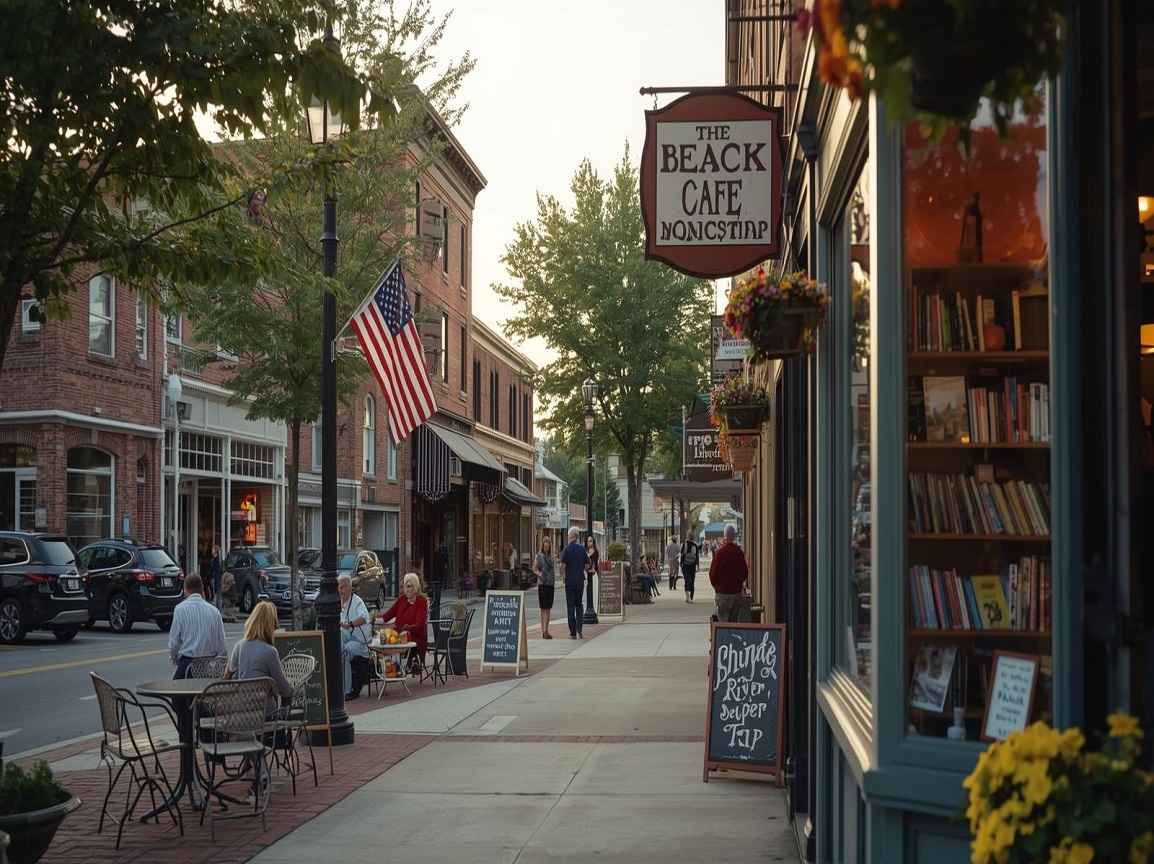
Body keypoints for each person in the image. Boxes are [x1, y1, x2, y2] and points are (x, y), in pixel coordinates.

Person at [224, 601, 294, 711]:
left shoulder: (238, 646)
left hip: (240, 712)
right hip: (263, 712)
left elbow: (227, 677)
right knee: (287, 699)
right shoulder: (270, 652)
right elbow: (283, 689)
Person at [168, 573, 227, 679]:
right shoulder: (214, 611)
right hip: (209, 666)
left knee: (176, 692)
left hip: (187, 665)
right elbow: (222, 647)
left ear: (185, 589)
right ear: (202, 589)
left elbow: (174, 644)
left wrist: (176, 660)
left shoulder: (180, 609)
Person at [376, 573, 429, 669]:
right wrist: (373, 620)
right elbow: (387, 616)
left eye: (410, 586)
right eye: (405, 586)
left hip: (415, 636)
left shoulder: (421, 601)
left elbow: (419, 624)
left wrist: (406, 629)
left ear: (416, 587)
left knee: (398, 642)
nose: (407, 589)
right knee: (383, 640)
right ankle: (389, 667)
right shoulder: (401, 599)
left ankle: (405, 665)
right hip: (398, 635)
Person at [339, 574, 373, 700]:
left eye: (342, 587)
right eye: (339, 587)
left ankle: (347, 690)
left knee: (344, 652)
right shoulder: (340, 602)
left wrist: (350, 624)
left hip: (360, 641)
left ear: (349, 587)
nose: (340, 590)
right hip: (347, 637)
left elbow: (364, 618)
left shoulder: (357, 601)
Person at [710, 525, 750, 621]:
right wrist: (739, 584)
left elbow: (712, 573)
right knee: (734, 622)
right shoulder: (739, 553)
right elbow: (744, 572)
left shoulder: (719, 553)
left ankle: (724, 636)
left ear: (725, 536)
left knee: (723, 623)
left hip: (722, 594)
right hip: (736, 593)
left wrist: (717, 587)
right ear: (734, 536)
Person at [559, 527, 588, 639]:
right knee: (579, 605)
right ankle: (579, 629)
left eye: (568, 535)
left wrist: (563, 575)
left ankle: (572, 632)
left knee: (570, 606)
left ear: (571, 536)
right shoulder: (582, 549)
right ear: (577, 537)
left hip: (570, 581)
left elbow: (562, 566)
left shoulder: (567, 549)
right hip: (580, 580)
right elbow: (587, 565)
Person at [534, 536, 556, 639]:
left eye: (548, 544)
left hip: (550, 585)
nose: (546, 546)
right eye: (545, 544)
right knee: (543, 608)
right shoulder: (539, 556)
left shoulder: (552, 556)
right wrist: (539, 574)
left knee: (548, 608)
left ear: (550, 546)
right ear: (542, 545)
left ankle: (546, 630)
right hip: (542, 584)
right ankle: (543, 631)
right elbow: (534, 568)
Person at [680, 531, 701, 604]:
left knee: (687, 580)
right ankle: (690, 597)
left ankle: (688, 597)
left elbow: (682, 555)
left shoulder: (684, 545)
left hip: (685, 565)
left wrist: (681, 564)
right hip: (692, 565)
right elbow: (697, 556)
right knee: (691, 581)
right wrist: (698, 565)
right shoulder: (695, 545)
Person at [209, 544, 223, 609]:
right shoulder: (217, 559)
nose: (211, 551)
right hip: (217, 578)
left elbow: (215, 570)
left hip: (216, 579)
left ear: (215, 551)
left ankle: (217, 608)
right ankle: (218, 607)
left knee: (216, 594)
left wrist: (212, 577)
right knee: (217, 594)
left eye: (213, 549)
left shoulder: (216, 560)